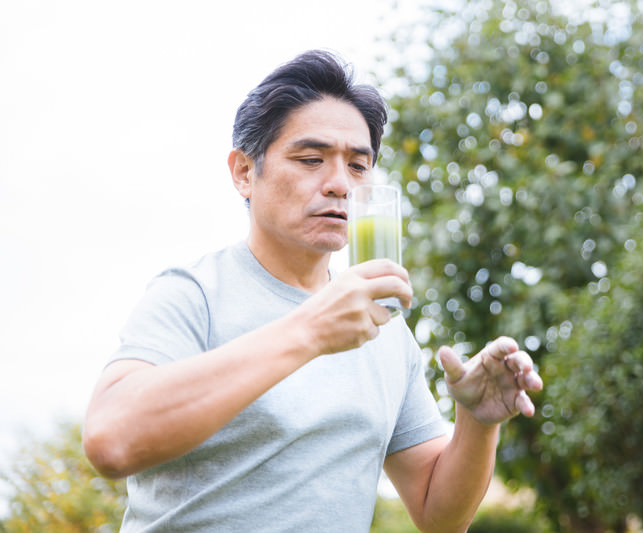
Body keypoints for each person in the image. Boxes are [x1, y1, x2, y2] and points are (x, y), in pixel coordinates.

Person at [82, 49, 543, 533]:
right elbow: (111, 441)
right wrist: (311, 330)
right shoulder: (193, 294)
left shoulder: (383, 323)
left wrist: (477, 423)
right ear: (244, 172)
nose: (340, 184)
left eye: (358, 166)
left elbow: (439, 516)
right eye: (311, 159)